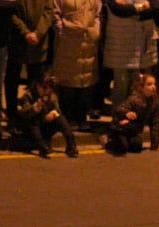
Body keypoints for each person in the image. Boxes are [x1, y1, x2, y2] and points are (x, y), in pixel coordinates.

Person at [51, 0, 103, 133]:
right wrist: (62, 30)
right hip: (69, 41)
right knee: (68, 80)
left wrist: (95, 30)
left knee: (85, 81)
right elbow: (55, 13)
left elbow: (97, 13)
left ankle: (81, 118)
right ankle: (68, 119)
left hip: (89, 42)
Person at [16, 76, 79, 156]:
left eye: (50, 87)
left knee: (60, 118)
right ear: (37, 86)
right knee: (33, 120)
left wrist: (53, 113)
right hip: (32, 130)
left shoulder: (51, 96)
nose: (48, 89)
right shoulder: (28, 96)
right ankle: (41, 146)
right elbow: (23, 114)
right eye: (45, 87)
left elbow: (57, 109)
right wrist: (35, 108)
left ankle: (71, 144)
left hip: (45, 126)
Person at [104, 70, 159, 152]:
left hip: (133, 130)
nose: (153, 87)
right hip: (120, 128)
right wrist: (127, 113)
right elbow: (118, 109)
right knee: (122, 147)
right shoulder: (134, 99)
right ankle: (108, 140)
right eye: (149, 84)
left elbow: (155, 123)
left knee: (137, 147)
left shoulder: (155, 103)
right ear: (141, 88)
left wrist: (155, 145)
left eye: (154, 84)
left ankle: (127, 141)